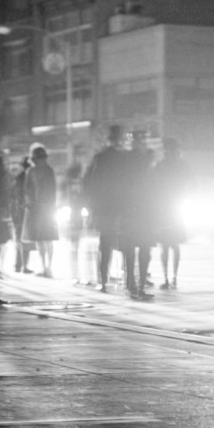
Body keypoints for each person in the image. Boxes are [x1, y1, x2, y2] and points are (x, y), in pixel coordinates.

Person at [83, 125, 128, 292]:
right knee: (125, 242)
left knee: (106, 243)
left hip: (104, 206)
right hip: (122, 206)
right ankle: (127, 278)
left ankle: (103, 280)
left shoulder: (100, 157)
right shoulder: (124, 158)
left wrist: (92, 201)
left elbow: (88, 181)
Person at [152, 138, 195, 290]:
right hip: (171, 206)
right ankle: (171, 277)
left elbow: (154, 185)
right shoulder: (179, 165)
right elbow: (193, 184)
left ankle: (170, 277)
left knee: (169, 244)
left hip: (168, 207)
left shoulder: (164, 166)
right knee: (171, 244)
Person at [122, 129, 156, 298]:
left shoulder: (146, 158)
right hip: (135, 208)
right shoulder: (131, 159)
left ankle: (138, 284)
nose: (141, 142)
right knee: (133, 248)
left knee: (143, 248)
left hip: (143, 208)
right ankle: (132, 283)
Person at [21, 144, 58, 277]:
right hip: (37, 209)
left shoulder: (49, 171)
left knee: (48, 238)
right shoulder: (31, 172)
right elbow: (27, 190)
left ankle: (49, 266)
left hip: (47, 208)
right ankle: (44, 266)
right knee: (40, 239)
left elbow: (53, 190)